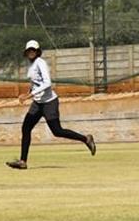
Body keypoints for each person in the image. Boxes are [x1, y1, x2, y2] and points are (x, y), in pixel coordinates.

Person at [6, 40, 96, 170]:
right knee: (26, 128)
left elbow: (47, 83)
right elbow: (35, 83)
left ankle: (86, 139)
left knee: (57, 131)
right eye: (29, 50)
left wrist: (29, 96)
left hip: (49, 102)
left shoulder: (41, 63)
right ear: (26, 52)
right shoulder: (31, 65)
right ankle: (23, 161)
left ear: (37, 51)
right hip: (37, 103)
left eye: (33, 50)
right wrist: (28, 92)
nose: (31, 52)